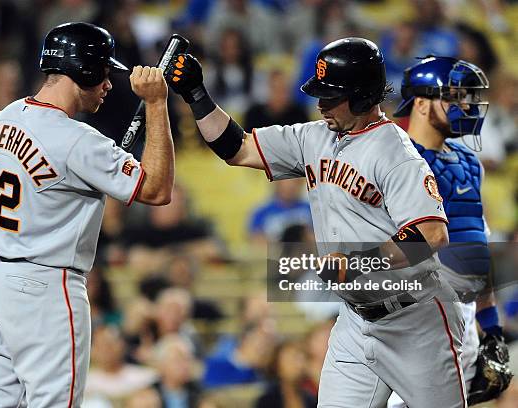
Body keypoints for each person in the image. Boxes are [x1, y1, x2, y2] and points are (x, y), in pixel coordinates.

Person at [166, 37, 467, 407]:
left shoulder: (397, 154)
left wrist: (360, 262)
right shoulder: (314, 136)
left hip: (416, 321)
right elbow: (238, 148)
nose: (320, 103)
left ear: (361, 95)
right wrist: (197, 95)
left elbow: (431, 234)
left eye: (331, 95)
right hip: (356, 322)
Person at [0, 22, 174, 407]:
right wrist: (157, 104)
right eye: (105, 73)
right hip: (47, 287)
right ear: (85, 71)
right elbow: (158, 190)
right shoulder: (78, 140)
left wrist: (44, 206)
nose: (109, 83)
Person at [388, 55, 513, 407]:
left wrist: (491, 329)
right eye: (455, 96)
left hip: (463, 323)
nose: (467, 106)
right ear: (423, 103)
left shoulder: (470, 163)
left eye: (468, 96)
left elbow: (477, 246)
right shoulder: (392, 160)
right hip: (414, 325)